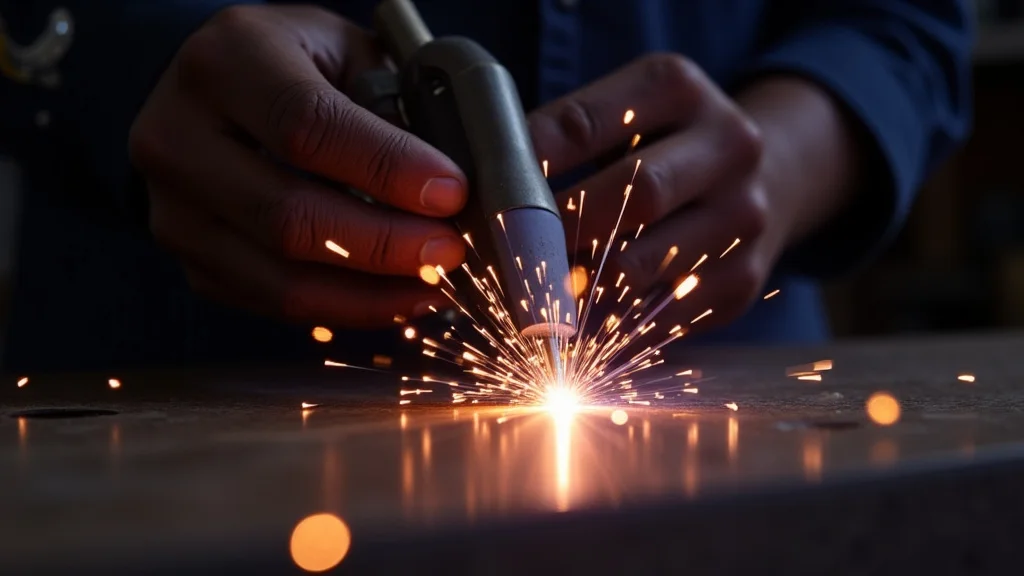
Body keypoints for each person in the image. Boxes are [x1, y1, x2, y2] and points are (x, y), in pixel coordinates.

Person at [0, 1, 972, 374]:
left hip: (723, 371)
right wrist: (128, 67)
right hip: (186, 395)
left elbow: (909, 26)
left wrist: (785, 155)